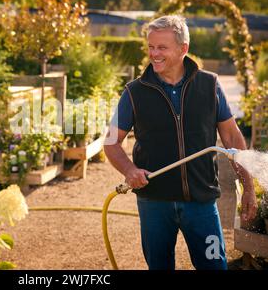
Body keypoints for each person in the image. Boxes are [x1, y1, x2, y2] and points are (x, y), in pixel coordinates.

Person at [104, 15, 258, 270]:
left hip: (202, 203)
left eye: (162, 47)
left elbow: (232, 138)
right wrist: (129, 170)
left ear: (183, 48)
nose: (154, 54)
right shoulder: (134, 91)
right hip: (154, 203)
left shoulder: (209, 85)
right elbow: (111, 142)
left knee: (214, 266)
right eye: (151, 47)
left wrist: (248, 188)